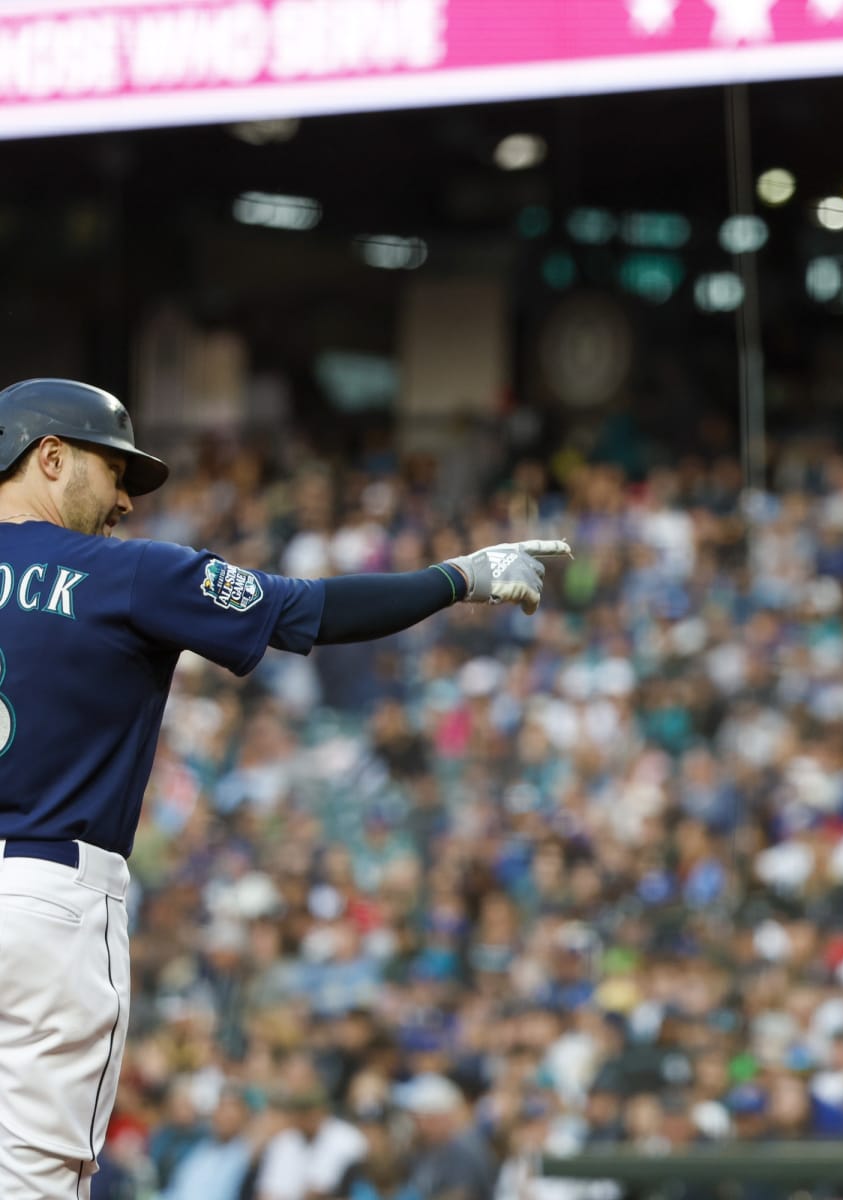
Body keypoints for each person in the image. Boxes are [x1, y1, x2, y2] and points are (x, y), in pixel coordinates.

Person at [0, 378, 571, 1200]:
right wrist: (460, 577)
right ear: (48, 457)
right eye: (112, 468)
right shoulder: (122, 574)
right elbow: (311, 610)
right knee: (33, 1178)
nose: (125, 497)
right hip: (48, 903)